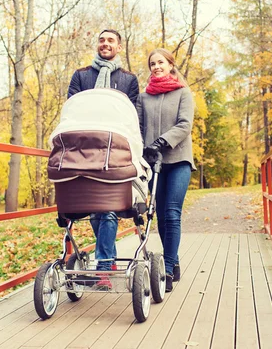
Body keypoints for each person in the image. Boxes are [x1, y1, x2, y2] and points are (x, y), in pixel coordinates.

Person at [67, 29, 139, 290]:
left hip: (114, 150)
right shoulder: (81, 76)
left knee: (106, 209)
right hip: (84, 151)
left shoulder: (129, 80)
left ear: (119, 47)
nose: (105, 44)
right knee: (96, 209)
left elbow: (132, 116)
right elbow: (72, 110)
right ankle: (104, 265)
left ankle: (104, 267)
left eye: (110, 40)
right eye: (101, 40)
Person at [136, 48, 195, 292]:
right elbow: (138, 127)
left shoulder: (183, 92)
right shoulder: (143, 97)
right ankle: (174, 259)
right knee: (158, 214)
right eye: (152, 63)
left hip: (178, 159)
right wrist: (143, 149)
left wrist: (162, 141)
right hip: (154, 164)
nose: (156, 66)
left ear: (171, 65)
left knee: (172, 213)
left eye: (160, 62)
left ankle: (167, 268)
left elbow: (185, 125)